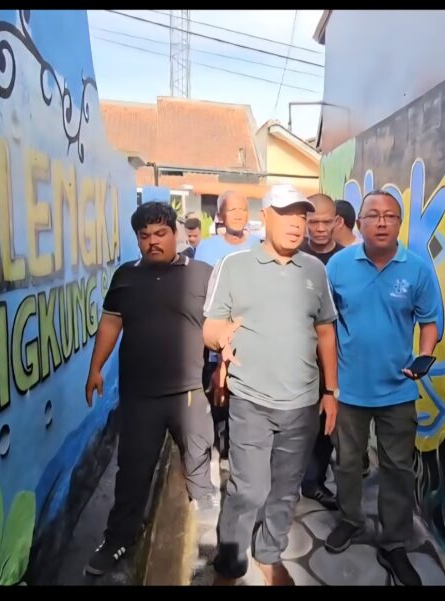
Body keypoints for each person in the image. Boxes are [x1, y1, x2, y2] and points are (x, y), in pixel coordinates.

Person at [204, 184, 340, 586]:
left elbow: (326, 332)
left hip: (302, 403)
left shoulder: (315, 270)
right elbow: (211, 325)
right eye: (287, 215)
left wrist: (331, 392)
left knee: (285, 489)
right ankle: (230, 565)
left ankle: (268, 553)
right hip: (251, 399)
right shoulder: (234, 265)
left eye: (302, 216)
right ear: (265, 217)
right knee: (248, 489)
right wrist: (220, 340)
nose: (297, 224)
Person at [83, 202, 218, 576]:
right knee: (132, 472)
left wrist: (223, 366)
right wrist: (95, 369)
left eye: (160, 233)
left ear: (175, 233)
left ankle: (212, 537)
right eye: (145, 236)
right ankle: (119, 538)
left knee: (198, 466)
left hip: (189, 392)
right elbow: (111, 323)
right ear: (138, 239)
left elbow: (221, 323)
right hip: (140, 395)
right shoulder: (126, 276)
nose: (153, 242)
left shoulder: (201, 274)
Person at [324, 190, 441, 586]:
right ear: (359, 223)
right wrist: (329, 385)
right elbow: (325, 325)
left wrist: (424, 356)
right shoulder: (338, 266)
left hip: (398, 389)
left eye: (390, 216)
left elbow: (429, 322)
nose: (381, 222)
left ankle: (393, 542)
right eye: (373, 215)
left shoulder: (417, 270)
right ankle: (351, 520)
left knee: (398, 469)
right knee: (347, 463)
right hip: (348, 390)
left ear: (399, 224)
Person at [193, 191, 261, 460]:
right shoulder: (206, 248)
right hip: (216, 338)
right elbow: (202, 295)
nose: (238, 215)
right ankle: (216, 453)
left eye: (243, 209)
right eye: (232, 210)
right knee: (216, 399)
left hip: (249, 338)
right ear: (220, 216)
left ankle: (238, 453)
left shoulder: (258, 245)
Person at [298, 193, 344, 510]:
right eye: (312, 222)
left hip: (334, 354)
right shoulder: (293, 255)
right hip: (296, 353)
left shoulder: (347, 260)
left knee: (326, 421)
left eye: (325, 221)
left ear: (336, 222)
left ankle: (313, 482)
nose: (319, 228)